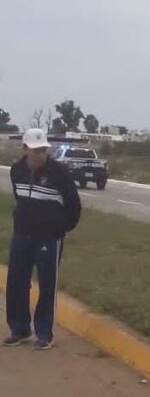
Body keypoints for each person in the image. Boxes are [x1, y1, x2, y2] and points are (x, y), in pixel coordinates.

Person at [4, 128, 81, 350]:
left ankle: (44, 333)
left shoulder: (59, 172)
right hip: (22, 234)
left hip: (49, 237)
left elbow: (73, 205)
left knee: (47, 284)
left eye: (43, 150)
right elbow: (21, 199)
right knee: (16, 282)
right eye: (35, 150)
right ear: (25, 149)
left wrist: (61, 228)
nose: (39, 154)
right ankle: (19, 329)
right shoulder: (16, 171)